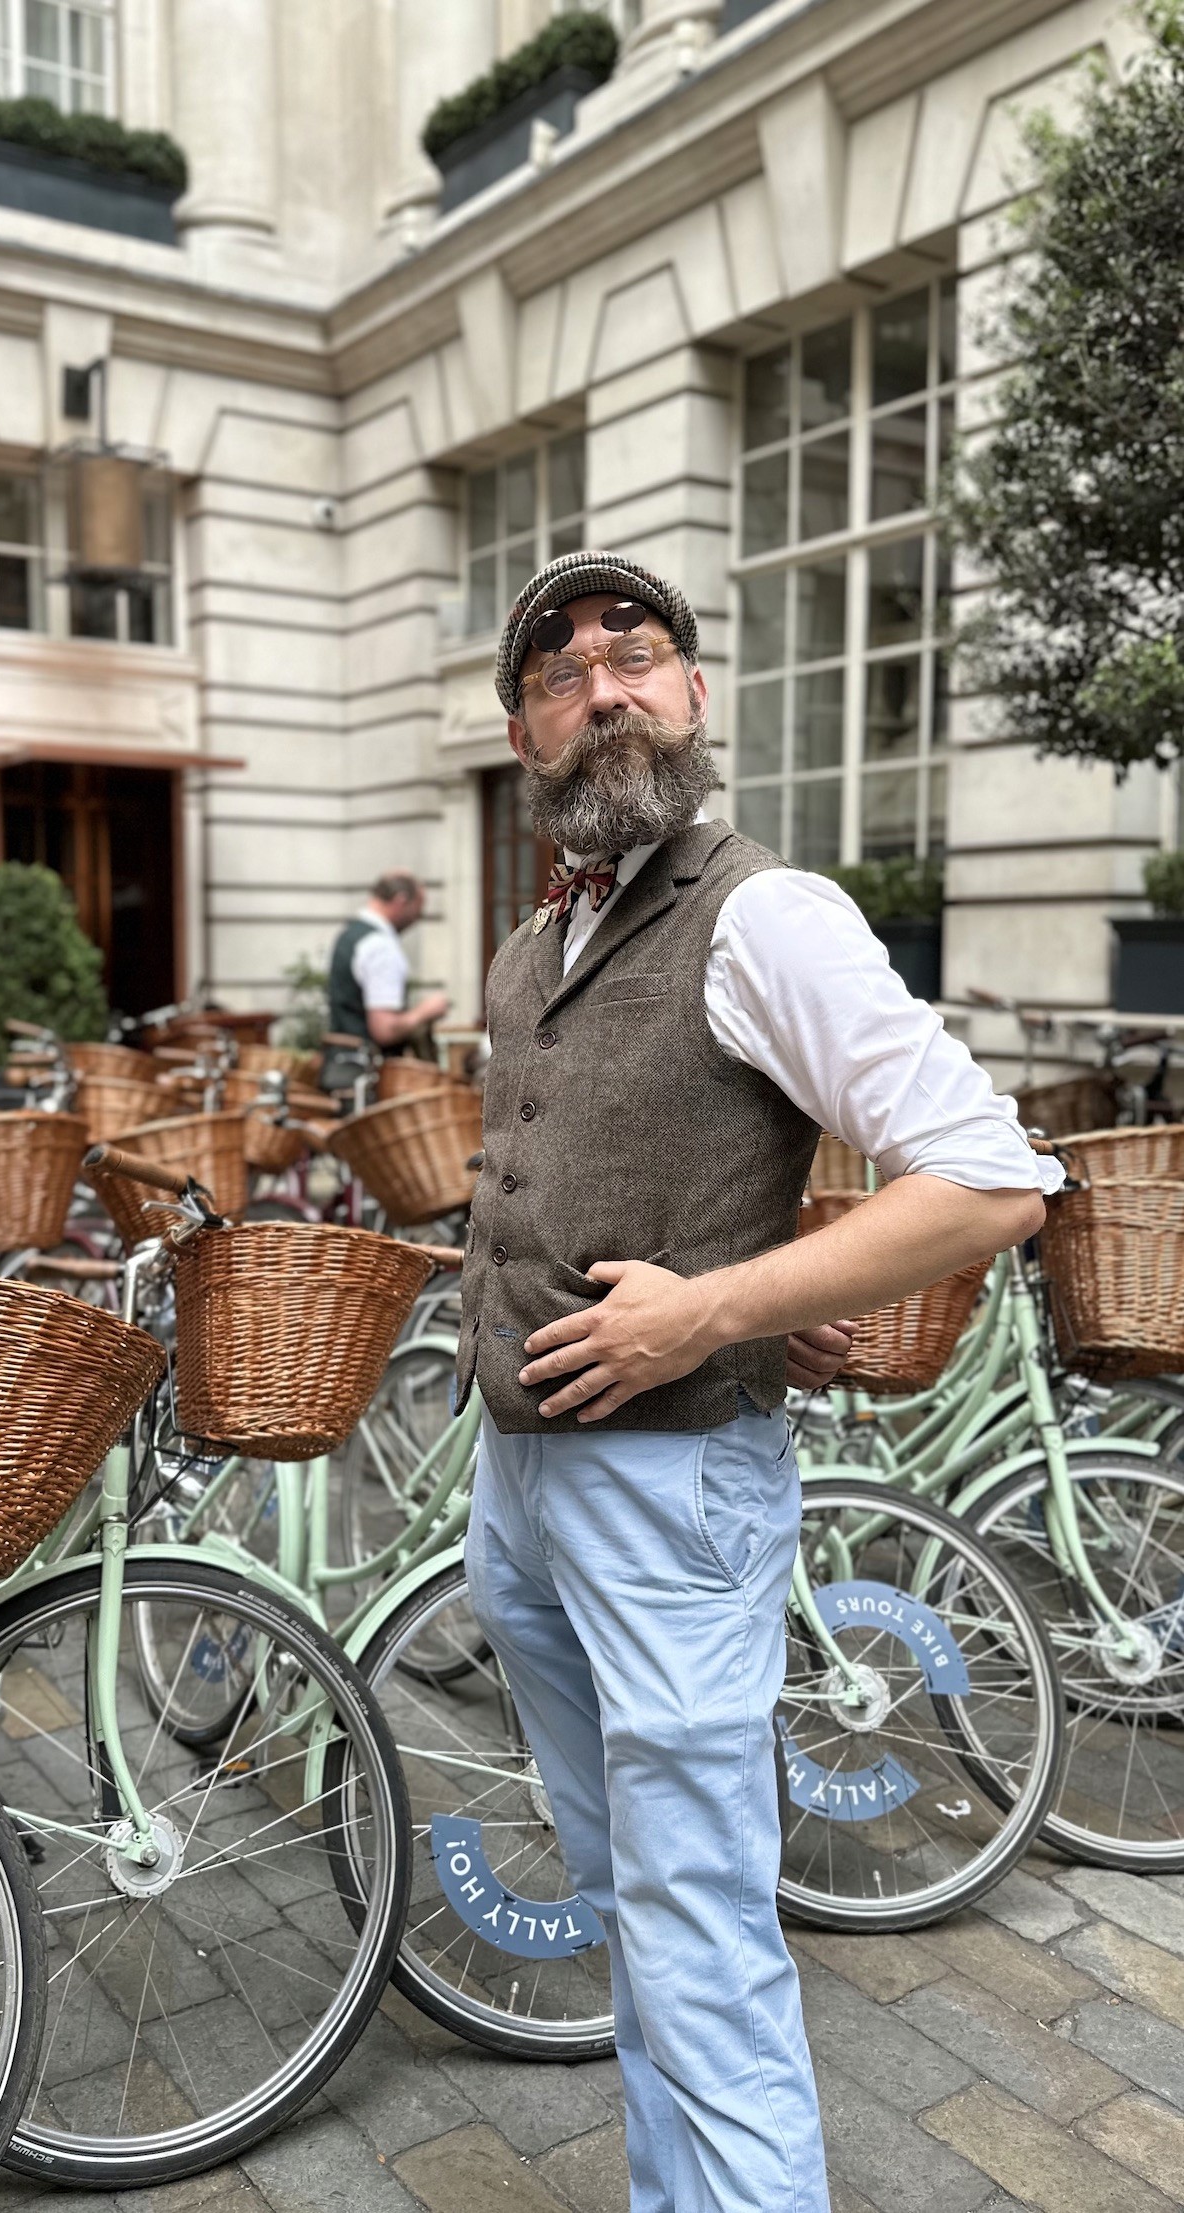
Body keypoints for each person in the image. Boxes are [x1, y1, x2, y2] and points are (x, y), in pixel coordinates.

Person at [459, 549, 1062, 2213]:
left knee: (699, 1926)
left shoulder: (765, 910)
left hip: (667, 1492)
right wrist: (744, 1272)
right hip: (521, 1488)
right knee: (633, 1906)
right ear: (525, 734)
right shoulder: (529, 951)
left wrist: (711, 1307)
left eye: (634, 655)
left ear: (695, 693)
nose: (604, 687)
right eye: (561, 673)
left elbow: (990, 1181)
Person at [321, 870, 449, 1092]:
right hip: (367, 1083)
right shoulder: (380, 947)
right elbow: (385, 1029)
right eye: (417, 909)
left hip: (340, 1071)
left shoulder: (351, 934)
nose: (417, 918)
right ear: (401, 901)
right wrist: (426, 1011)